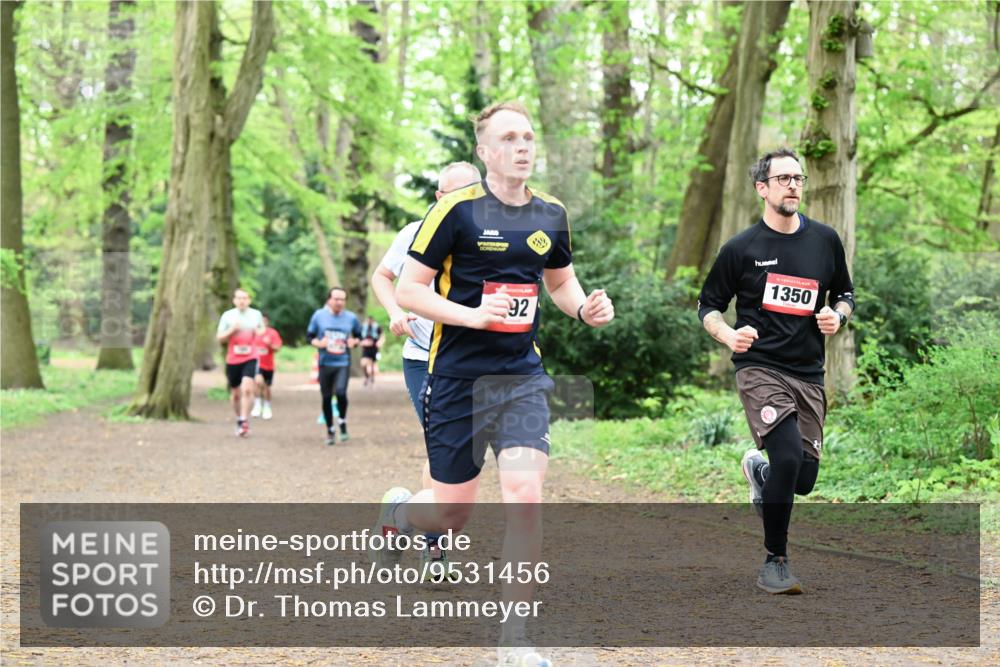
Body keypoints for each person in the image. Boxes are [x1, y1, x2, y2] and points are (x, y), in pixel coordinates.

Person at [370, 102, 614, 663]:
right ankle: (402, 514)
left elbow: (561, 283)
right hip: (456, 377)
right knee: (452, 514)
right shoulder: (454, 212)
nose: (523, 146)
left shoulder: (551, 213)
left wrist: (584, 309)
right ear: (484, 151)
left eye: (528, 136)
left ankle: (513, 641)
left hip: (522, 376)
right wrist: (474, 316)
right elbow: (409, 291)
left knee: (525, 498)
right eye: (509, 138)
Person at [697, 148, 855, 595]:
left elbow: (845, 293)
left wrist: (837, 316)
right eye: (783, 178)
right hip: (759, 368)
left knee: (802, 479)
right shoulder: (741, 249)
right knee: (786, 456)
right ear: (762, 188)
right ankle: (775, 561)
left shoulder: (825, 240)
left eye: (798, 178)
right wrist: (728, 336)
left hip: (808, 373)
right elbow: (708, 305)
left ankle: (761, 477)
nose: (793, 185)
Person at [370, 160, 482, 581]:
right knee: (443, 453)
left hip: (476, 361)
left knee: (467, 460)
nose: (464, 201)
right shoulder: (414, 233)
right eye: (454, 194)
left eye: (473, 192)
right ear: (439, 198)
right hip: (426, 357)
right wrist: (395, 310)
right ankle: (435, 552)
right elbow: (383, 276)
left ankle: (400, 516)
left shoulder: (493, 240)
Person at [306, 287, 362, 445]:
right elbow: (309, 337)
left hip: (343, 362)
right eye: (336, 299)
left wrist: (354, 342)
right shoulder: (319, 316)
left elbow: (358, 336)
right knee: (326, 397)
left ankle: (342, 420)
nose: (339, 302)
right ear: (329, 300)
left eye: (342, 299)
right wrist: (319, 343)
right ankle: (330, 429)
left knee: (341, 392)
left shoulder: (351, 318)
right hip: (325, 363)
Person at [216, 288, 265, 437]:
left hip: (250, 356)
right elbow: (219, 338)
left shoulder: (256, 315)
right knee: (236, 393)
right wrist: (232, 329)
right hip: (233, 358)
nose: (242, 301)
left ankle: (244, 420)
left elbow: (262, 331)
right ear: (234, 300)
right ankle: (238, 418)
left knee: (247, 389)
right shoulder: (228, 316)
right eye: (239, 298)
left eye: (245, 298)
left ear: (249, 300)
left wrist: (258, 331)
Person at [251, 314, 283, 420]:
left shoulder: (272, 333)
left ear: (267, 322)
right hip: (256, 363)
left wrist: (269, 345)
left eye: (264, 321)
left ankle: (267, 406)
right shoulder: (253, 333)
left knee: (266, 387)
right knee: (258, 382)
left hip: (268, 365)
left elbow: (278, 348)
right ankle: (257, 404)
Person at [358, 315, 384, 387]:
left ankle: (372, 377)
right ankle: (366, 377)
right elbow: (360, 337)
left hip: (374, 348)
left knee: (372, 363)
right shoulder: (363, 327)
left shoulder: (377, 327)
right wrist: (361, 343)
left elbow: (381, 336)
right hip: (365, 348)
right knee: (363, 363)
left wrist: (379, 343)